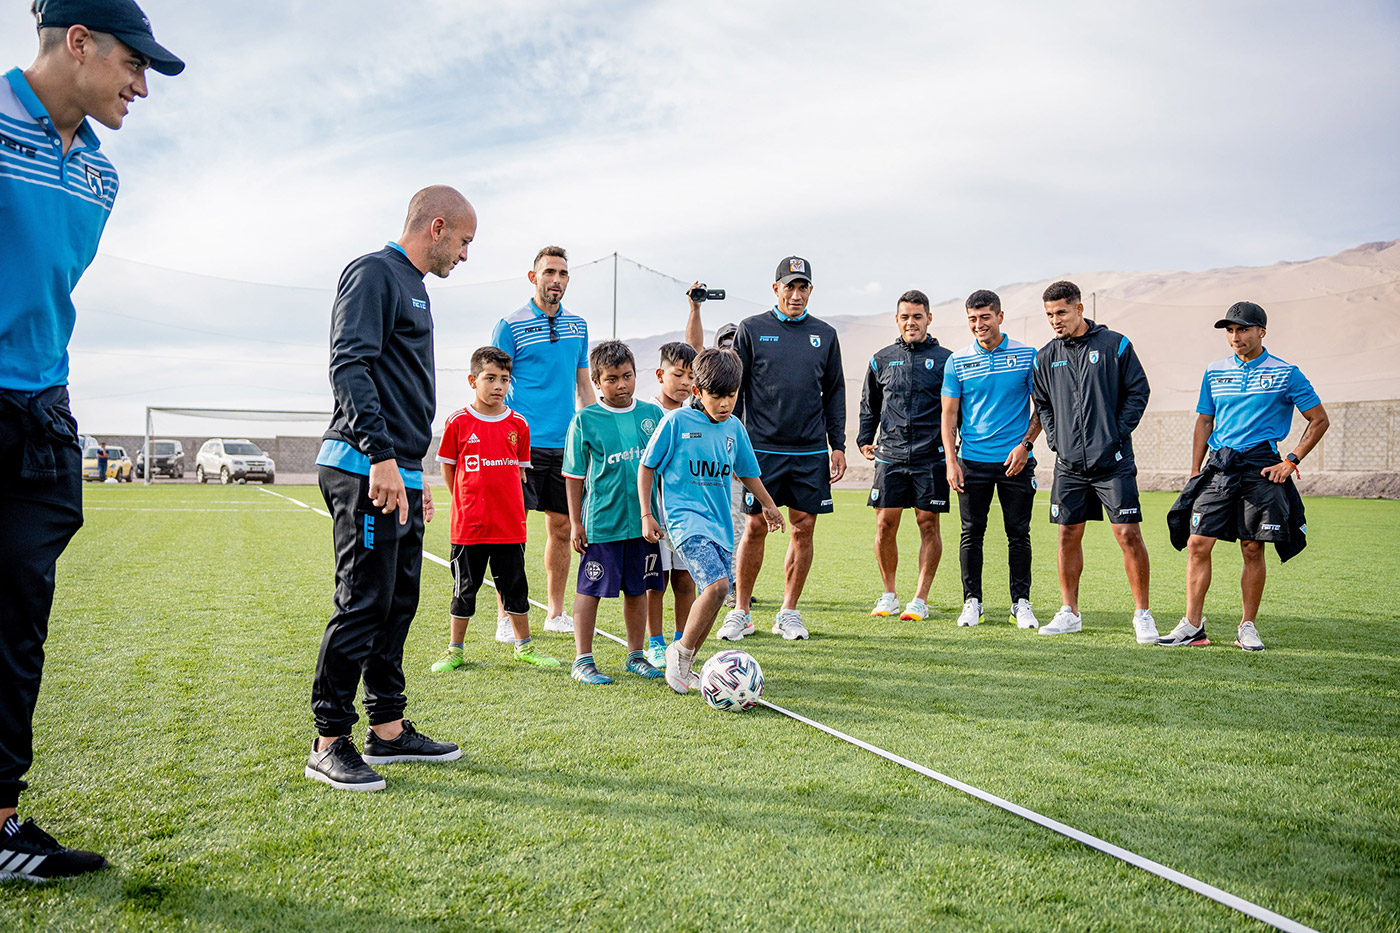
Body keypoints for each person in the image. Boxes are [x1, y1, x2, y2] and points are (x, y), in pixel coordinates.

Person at [0, 0, 182, 879]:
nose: (141, 85)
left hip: (40, 410)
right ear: (78, 41)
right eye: (133, 64)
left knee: (16, 622)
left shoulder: (102, 175)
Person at [306, 186, 475, 792]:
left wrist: (415, 471)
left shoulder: (415, 286)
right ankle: (328, 741)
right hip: (360, 463)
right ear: (437, 227)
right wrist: (380, 456)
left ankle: (388, 729)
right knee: (364, 600)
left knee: (399, 601)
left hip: (398, 468)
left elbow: (401, 385)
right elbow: (349, 364)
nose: (463, 255)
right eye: (463, 242)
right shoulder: (373, 272)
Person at [1159, 301, 1328, 651]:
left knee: (1252, 548)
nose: (1235, 337)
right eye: (1230, 331)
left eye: (1243, 330)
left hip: (1262, 467)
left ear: (1261, 332)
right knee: (1197, 543)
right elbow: (1205, 420)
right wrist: (1195, 470)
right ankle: (1192, 626)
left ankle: (1247, 626)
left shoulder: (1286, 372)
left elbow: (1319, 419)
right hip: (1220, 466)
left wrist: (1291, 461)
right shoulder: (1214, 371)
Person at [639, 349, 786, 693]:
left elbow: (748, 472)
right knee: (720, 586)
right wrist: (647, 513)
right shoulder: (676, 423)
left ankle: (687, 663)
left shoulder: (735, 428)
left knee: (716, 594)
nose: (724, 404)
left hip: (720, 527)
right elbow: (646, 466)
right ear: (697, 392)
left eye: (731, 396)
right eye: (716, 396)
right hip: (684, 522)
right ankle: (679, 653)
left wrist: (769, 505)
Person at [720, 256, 845, 642]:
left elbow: (835, 392)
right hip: (762, 450)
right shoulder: (752, 329)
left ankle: (789, 612)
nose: (796, 293)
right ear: (776, 289)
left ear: (810, 290)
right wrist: (729, 441)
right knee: (755, 526)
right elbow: (734, 390)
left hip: (810, 451)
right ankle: (741, 611)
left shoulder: (825, 334)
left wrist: (837, 445)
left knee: (803, 528)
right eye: (789, 286)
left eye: (802, 286)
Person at [1032, 281, 1158, 642]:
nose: (1056, 320)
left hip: (1113, 462)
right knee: (1067, 536)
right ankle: (1069, 612)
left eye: (1061, 312)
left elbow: (1139, 391)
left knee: (1128, 534)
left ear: (1079, 309)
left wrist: (1115, 434)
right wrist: (1056, 440)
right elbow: (1042, 404)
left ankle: (1142, 614)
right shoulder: (1045, 356)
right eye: (1049, 315)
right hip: (1069, 465)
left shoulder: (1115, 344)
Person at [431, 347, 558, 673]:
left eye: (504, 379)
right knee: (464, 589)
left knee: (515, 588)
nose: (498, 385)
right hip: (469, 527)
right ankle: (455, 650)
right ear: (473, 380)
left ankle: (524, 646)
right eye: (490, 378)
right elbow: (449, 469)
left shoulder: (518, 423)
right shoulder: (458, 422)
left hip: (509, 527)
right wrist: (464, 499)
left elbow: (520, 473)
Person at [491, 247, 593, 639]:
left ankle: (555, 612)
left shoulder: (579, 326)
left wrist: (590, 428)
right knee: (510, 531)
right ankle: (505, 615)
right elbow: (495, 383)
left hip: (565, 444)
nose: (557, 279)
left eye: (563, 273)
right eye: (549, 272)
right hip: (518, 444)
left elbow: (583, 383)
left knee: (563, 526)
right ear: (533, 277)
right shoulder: (509, 325)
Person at [563, 341, 667, 684]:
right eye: (611, 379)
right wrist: (576, 522)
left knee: (638, 590)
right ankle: (583, 659)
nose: (621, 385)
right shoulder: (585, 420)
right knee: (589, 589)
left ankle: (636, 655)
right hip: (602, 523)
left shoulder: (652, 416)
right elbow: (575, 476)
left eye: (627, 376)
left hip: (642, 524)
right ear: (596, 381)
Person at [941, 290, 1042, 630]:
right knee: (971, 533)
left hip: (1015, 461)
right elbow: (949, 416)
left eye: (985, 317)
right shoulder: (957, 361)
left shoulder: (1028, 356)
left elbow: (1041, 407)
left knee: (1018, 533)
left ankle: (1021, 604)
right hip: (972, 462)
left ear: (1000, 316)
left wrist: (1026, 446)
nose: (979, 325)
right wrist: (951, 462)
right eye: (972, 319)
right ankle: (973, 602)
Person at [858, 290, 953, 623]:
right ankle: (890, 594)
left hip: (931, 456)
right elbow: (869, 404)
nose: (911, 322)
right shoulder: (881, 358)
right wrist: (863, 439)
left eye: (917, 316)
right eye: (904, 317)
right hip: (891, 454)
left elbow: (958, 409)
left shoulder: (946, 360)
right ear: (896, 319)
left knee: (928, 524)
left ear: (929, 317)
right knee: (885, 524)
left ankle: (920, 599)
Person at [644, 340, 699, 667]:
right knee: (655, 579)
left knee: (685, 579)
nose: (684, 383)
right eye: (678, 374)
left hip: (689, 516)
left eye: (690, 376)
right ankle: (654, 642)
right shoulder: (647, 413)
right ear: (660, 374)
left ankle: (682, 641)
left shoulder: (696, 414)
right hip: (657, 515)